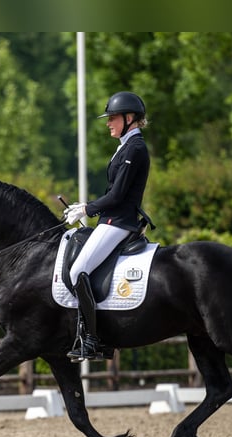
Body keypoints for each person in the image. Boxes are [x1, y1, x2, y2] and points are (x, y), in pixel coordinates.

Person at [63, 91, 151, 362]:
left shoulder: (135, 148)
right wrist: (87, 206)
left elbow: (117, 196)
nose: (108, 123)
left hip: (119, 221)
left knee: (78, 271)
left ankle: (91, 340)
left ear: (129, 118)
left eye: (112, 118)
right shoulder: (125, 146)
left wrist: (87, 208)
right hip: (111, 219)